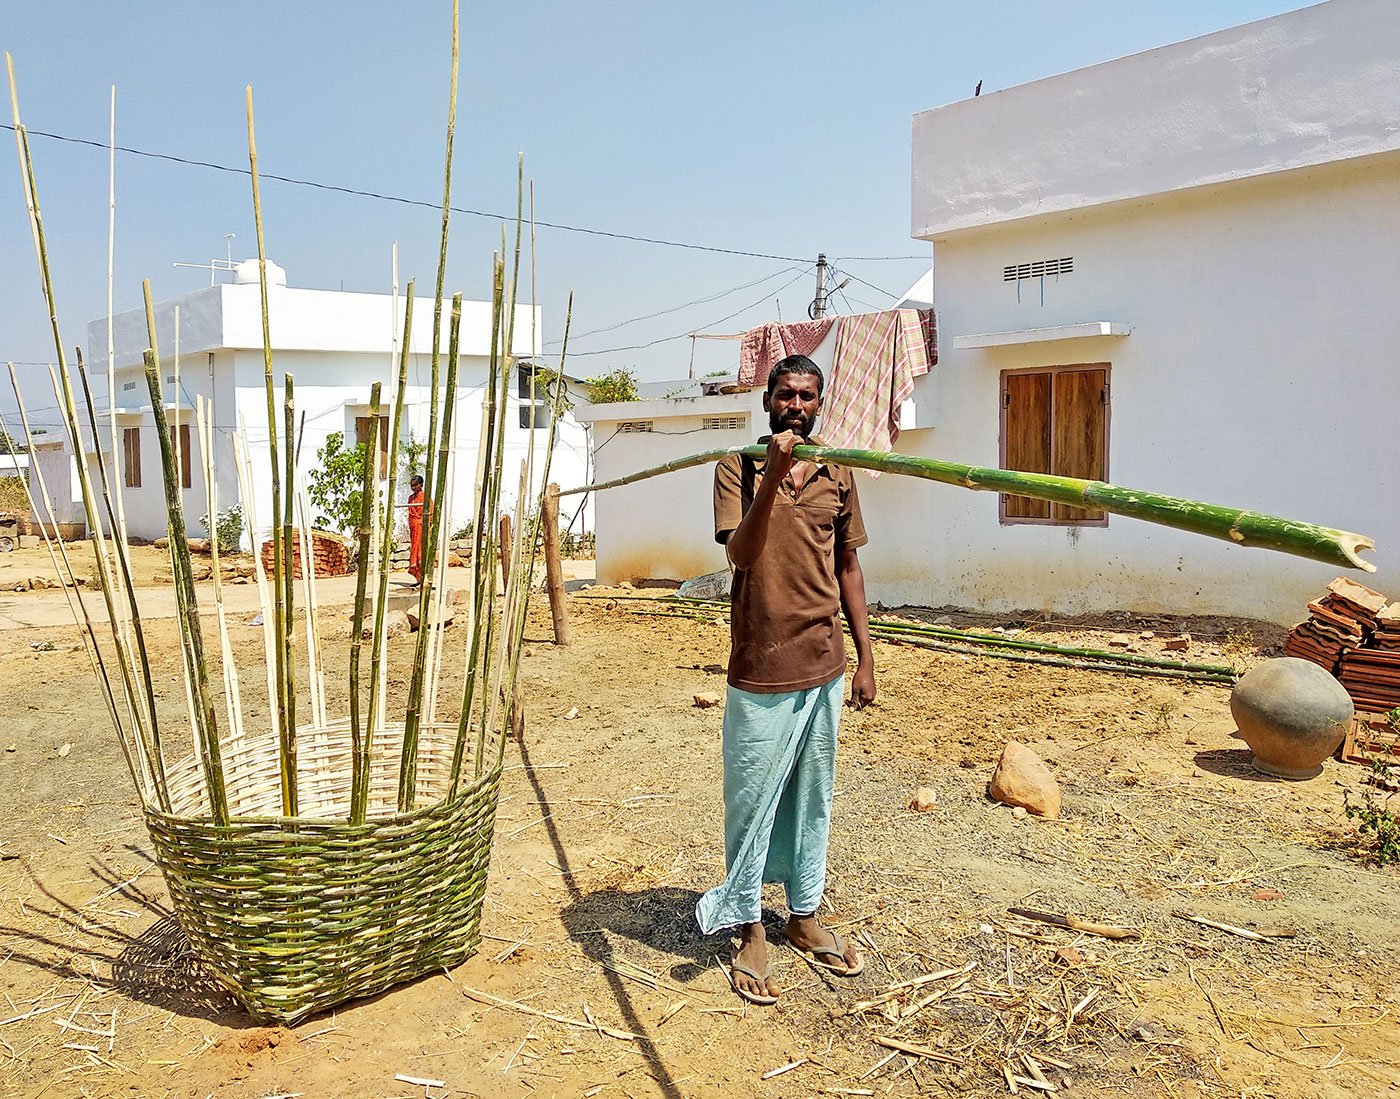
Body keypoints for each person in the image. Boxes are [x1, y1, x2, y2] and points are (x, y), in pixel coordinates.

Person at [697, 353, 875, 1006]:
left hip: (823, 662)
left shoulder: (837, 469)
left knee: (811, 801)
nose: (795, 405)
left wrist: (866, 656)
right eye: (785, 394)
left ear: (818, 404)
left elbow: (848, 565)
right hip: (759, 667)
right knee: (750, 803)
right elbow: (739, 553)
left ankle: (803, 916)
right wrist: (770, 474)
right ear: (766, 399)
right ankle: (748, 926)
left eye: (806, 396)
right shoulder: (735, 466)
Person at [406, 474, 429, 585]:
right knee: (414, 550)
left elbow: (430, 514)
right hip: (414, 528)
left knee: (421, 552)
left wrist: (422, 523)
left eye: (415, 485)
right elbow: (411, 514)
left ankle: (425, 578)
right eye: (412, 485)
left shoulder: (426, 497)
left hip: (421, 528)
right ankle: (418, 579)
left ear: (421, 485)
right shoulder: (410, 498)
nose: (413, 487)